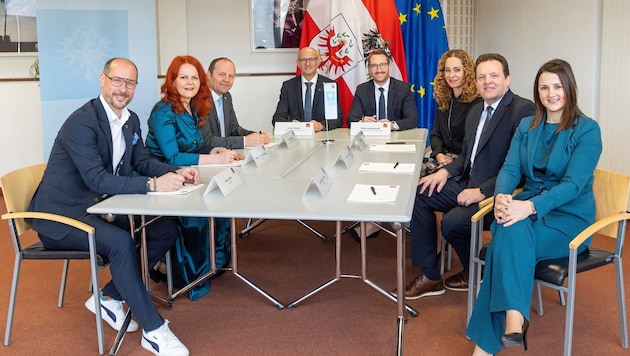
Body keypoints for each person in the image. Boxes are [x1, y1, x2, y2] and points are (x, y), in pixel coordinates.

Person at [28, 58, 191, 356]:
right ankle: (154, 331)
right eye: (117, 80)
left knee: (164, 229)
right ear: (102, 80)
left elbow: (141, 161)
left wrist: (173, 172)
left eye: (130, 83)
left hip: (94, 208)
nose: (123, 88)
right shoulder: (82, 122)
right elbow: (97, 179)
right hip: (60, 216)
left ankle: (108, 297)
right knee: (120, 242)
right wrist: (152, 185)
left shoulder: (130, 120)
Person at [467, 59, 602, 355]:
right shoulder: (527, 126)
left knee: (507, 233)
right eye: (544, 87)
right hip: (525, 209)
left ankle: (490, 342)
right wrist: (502, 197)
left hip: (569, 219)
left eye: (557, 86)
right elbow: (511, 168)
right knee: (509, 228)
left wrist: (527, 208)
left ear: (569, 88)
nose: (551, 93)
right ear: (537, 91)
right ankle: (514, 319)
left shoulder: (588, 130)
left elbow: (573, 185)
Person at [396, 53, 535, 299]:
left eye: (494, 76)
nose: (487, 81)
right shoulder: (477, 111)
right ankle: (431, 275)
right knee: (420, 193)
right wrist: (445, 172)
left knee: (452, 223)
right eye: (482, 76)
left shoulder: (523, 110)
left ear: (508, 79)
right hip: (466, 182)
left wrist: (482, 191)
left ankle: (479, 271)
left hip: (499, 193)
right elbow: (466, 157)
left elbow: (521, 169)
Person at [146, 55, 236, 301]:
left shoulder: (193, 107)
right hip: (160, 176)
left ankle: (213, 266)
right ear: (172, 81)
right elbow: (172, 156)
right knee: (197, 213)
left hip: (185, 175)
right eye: (183, 77)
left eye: (194, 77)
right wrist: (213, 160)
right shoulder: (163, 110)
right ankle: (187, 275)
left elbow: (197, 146)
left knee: (219, 200)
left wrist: (214, 151)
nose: (190, 82)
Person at [425, 49, 481, 175]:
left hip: (465, 165)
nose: (451, 75)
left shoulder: (477, 103)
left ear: (467, 72)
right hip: (443, 158)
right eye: (447, 70)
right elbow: (436, 134)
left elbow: (473, 146)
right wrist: (439, 155)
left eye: (457, 70)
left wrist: (450, 164)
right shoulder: (444, 99)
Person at [201, 57, 270, 149]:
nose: (227, 80)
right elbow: (207, 141)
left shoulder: (226, 97)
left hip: (225, 156)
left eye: (231, 76)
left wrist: (256, 136)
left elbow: (234, 129)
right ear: (208, 75)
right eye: (222, 74)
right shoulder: (199, 99)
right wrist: (245, 141)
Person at [272, 47, 343, 131]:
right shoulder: (288, 86)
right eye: (303, 60)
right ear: (298, 63)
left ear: (318, 62)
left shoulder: (329, 85)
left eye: (311, 59)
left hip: (321, 136)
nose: (308, 64)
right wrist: (291, 124)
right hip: (297, 136)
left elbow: (337, 119)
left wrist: (321, 125)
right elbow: (277, 118)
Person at [347, 48, 418, 131]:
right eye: (374, 66)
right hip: (370, 138)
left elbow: (412, 119)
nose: (379, 70)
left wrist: (392, 125)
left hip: (395, 139)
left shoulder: (403, 89)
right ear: (369, 69)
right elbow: (351, 120)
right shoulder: (362, 90)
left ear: (389, 66)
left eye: (382, 65)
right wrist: (362, 121)